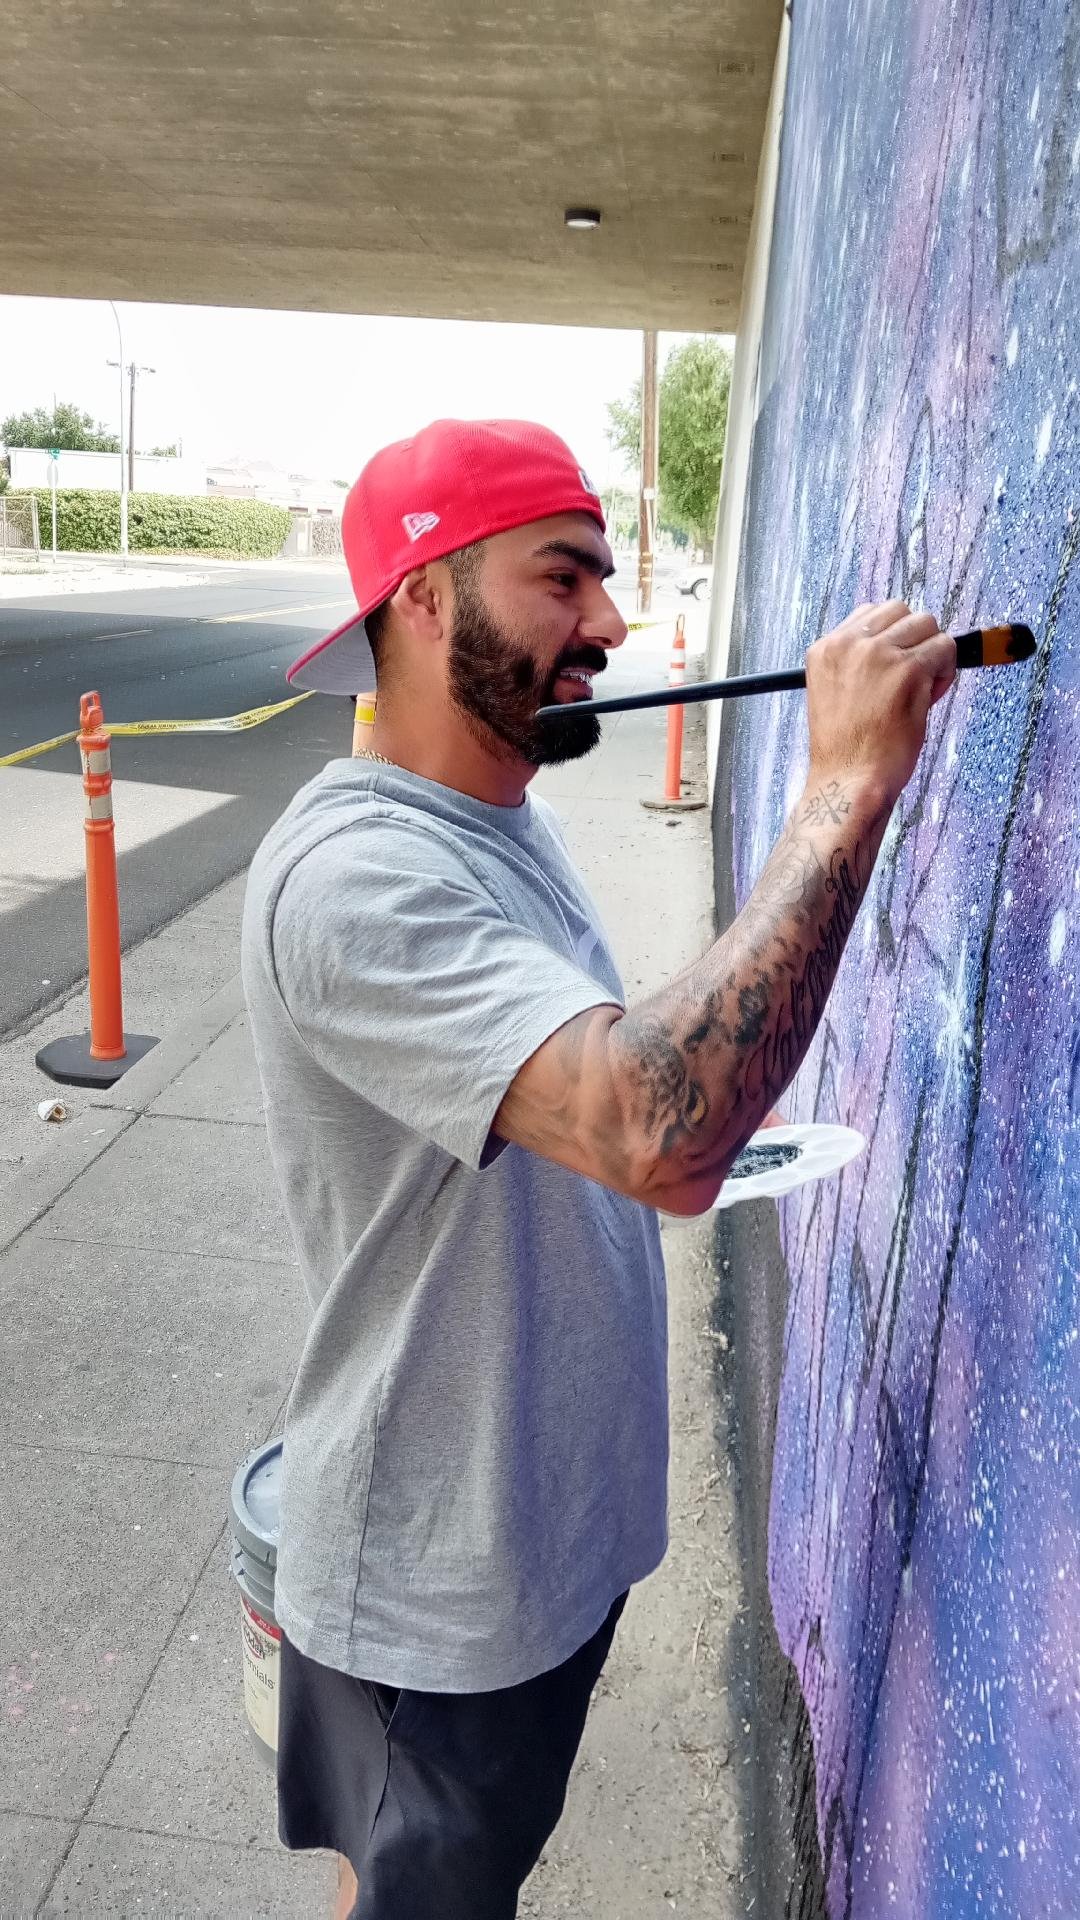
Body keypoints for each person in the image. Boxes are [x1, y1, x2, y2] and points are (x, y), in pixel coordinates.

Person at [241, 418, 955, 1919]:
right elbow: (653, 1127)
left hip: (540, 1538)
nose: (615, 627)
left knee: (448, 1879)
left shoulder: (514, 818)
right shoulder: (352, 876)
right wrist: (845, 790)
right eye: (564, 578)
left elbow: (608, 1105)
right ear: (425, 598)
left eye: (606, 583)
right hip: (436, 1598)